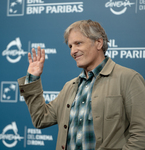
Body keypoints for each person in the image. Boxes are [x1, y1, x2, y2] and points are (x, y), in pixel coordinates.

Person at [18, 20, 145, 150]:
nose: (73, 51)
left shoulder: (128, 78)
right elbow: (41, 118)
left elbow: (141, 134)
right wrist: (33, 78)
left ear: (99, 43)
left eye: (78, 43)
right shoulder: (69, 87)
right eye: (70, 46)